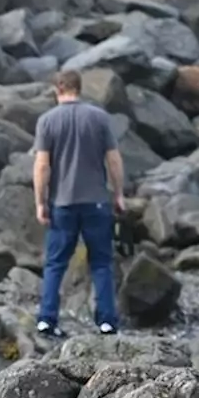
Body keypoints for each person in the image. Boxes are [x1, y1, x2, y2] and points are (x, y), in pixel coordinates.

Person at [32, 68, 125, 337]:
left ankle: (47, 319)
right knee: (101, 262)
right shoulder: (98, 118)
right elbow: (114, 160)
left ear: (57, 89)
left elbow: (41, 166)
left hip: (62, 202)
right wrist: (118, 194)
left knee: (55, 263)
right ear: (79, 88)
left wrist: (40, 202)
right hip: (96, 201)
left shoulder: (47, 121)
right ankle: (107, 321)